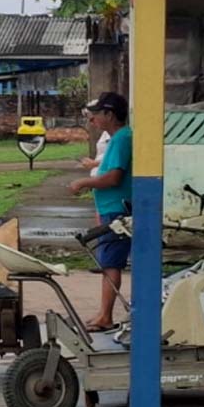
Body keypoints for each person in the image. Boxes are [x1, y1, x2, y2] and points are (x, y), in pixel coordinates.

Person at [68, 91, 132, 332]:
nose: (92, 120)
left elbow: (114, 177)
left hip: (117, 209)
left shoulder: (122, 138)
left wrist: (83, 183)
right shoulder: (117, 139)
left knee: (111, 263)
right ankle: (103, 313)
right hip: (110, 207)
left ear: (109, 114)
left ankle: (105, 315)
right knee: (108, 261)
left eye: (96, 115)